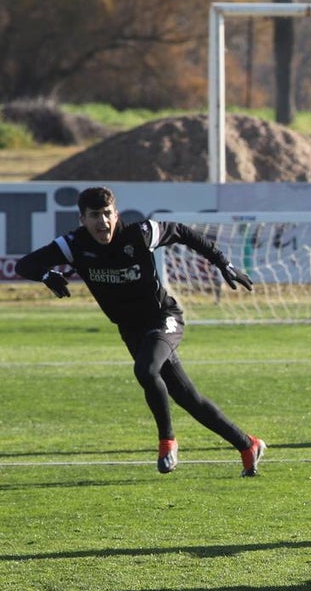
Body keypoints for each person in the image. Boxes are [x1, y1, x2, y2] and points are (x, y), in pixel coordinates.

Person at [15, 186, 266, 477]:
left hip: (163, 318)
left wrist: (224, 263)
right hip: (131, 330)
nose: (103, 222)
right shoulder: (73, 244)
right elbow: (25, 264)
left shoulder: (140, 233)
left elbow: (182, 232)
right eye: (95, 216)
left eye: (107, 214)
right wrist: (46, 275)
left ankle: (167, 440)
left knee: (146, 371)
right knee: (188, 398)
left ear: (116, 213)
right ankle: (248, 444)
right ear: (82, 218)